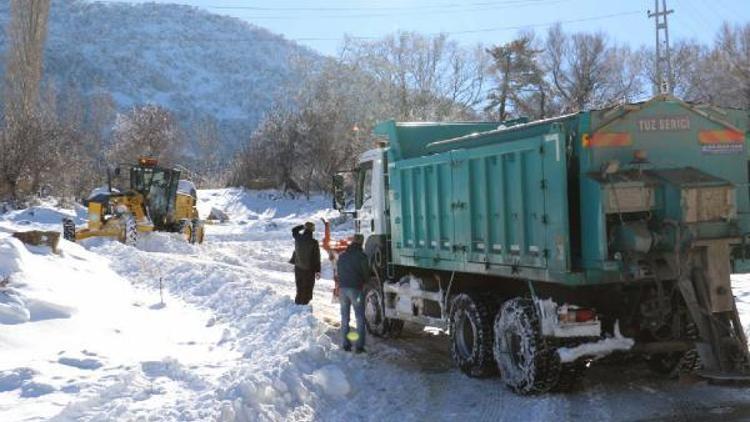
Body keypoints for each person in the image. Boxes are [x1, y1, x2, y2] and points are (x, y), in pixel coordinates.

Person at [336, 234, 370, 353]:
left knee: (345, 317)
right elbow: (366, 274)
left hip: (343, 290)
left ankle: (346, 344)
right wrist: (365, 281)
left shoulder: (342, 256)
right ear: (361, 243)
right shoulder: (362, 256)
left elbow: (338, 271)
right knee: (359, 317)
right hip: (356, 290)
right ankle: (359, 346)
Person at [290, 222, 321, 305]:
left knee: (299, 287)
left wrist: (302, 226)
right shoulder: (313, 242)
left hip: (298, 267)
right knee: (307, 289)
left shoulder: (298, 237)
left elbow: (294, 230)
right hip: (308, 270)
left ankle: (297, 304)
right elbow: (316, 257)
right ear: (312, 230)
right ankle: (304, 306)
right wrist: (318, 270)